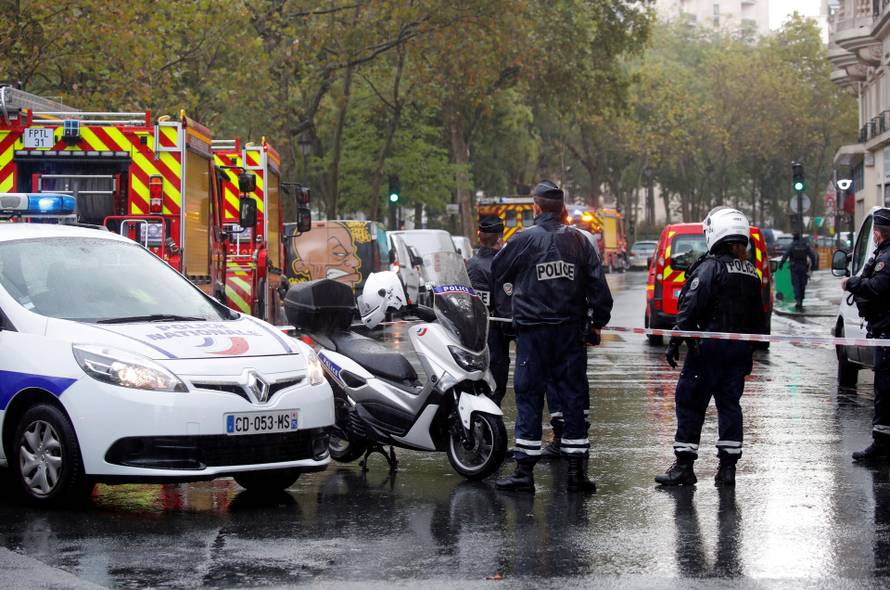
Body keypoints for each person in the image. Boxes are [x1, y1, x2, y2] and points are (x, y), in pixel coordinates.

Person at [492, 180, 613, 493]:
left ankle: (524, 472)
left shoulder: (523, 240)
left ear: (536, 207)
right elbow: (599, 289)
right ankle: (576, 472)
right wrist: (596, 324)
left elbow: (498, 270)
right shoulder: (580, 242)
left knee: (529, 396)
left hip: (533, 334)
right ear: (562, 209)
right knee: (573, 398)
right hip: (570, 334)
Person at [656, 207, 766, 488]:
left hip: (707, 350)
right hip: (738, 352)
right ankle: (727, 470)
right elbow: (759, 317)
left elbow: (690, 307)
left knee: (690, 403)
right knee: (730, 406)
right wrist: (749, 350)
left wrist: (675, 340)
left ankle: (684, 467)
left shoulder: (710, 267)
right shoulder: (751, 272)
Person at [843, 208, 890, 462]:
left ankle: (881, 445)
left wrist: (852, 283)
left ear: (879, 233)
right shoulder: (882, 253)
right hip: (882, 329)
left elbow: (878, 287)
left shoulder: (886, 257)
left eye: (876, 232)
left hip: (887, 332)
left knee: (885, 389)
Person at [467, 216, 511, 406]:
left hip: (475, 330)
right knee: (496, 383)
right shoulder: (503, 264)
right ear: (500, 238)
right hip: (495, 331)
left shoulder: (471, 264)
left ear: (480, 236)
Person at [779, 233, 818, 311]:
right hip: (804, 268)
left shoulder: (792, 245)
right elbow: (812, 256)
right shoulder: (805, 245)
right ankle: (801, 299)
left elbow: (786, 255)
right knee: (803, 284)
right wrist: (813, 266)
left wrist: (781, 264)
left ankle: (798, 300)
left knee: (796, 284)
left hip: (794, 268)